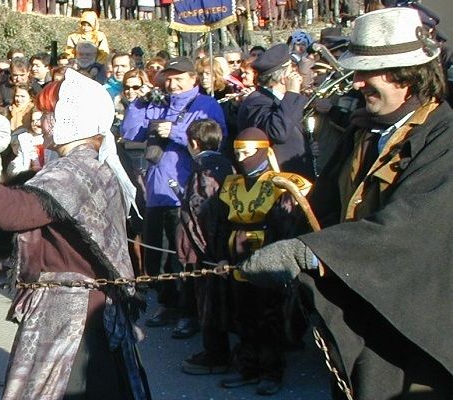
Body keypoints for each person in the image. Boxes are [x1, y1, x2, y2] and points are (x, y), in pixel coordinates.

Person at [235, 8, 453, 399]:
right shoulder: (367, 132)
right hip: (365, 310)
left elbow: (413, 227)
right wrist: (281, 241)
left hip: (417, 325)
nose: (357, 82)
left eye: (369, 72)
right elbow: (327, 208)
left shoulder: (445, 139)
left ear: (409, 75)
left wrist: (311, 254)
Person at [0, 68, 150, 399]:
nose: (41, 119)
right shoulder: (84, 165)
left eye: (49, 113)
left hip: (75, 317)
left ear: (71, 118)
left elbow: (11, 212)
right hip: (81, 308)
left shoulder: (76, 171)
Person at [121, 56, 227, 329]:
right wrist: (139, 103)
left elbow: (216, 138)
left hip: (187, 191)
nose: (173, 84)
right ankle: (168, 304)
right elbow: (131, 131)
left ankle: (189, 310)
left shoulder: (206, 104)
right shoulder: (158, 103)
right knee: (159, 252)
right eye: (169, 78)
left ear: (193, 79)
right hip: (156, 190)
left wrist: (177, 132)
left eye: (179, 78)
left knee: (185, 255)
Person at [204, 127, 311, 396]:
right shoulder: (231, 184)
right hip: (234, 253)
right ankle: (247, 366)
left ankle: (271, 371)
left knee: (269, 316)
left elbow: (288, 226)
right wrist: (219, 256)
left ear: (263, 150)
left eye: (247, 152)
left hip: (268, 252)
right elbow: (219, 222)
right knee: (242, 314)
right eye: (237, 152)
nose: (241, 158)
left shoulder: (283, 184)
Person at [175, 119, 236, 372]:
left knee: (210, 301)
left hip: (210, 249)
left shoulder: (203, 169)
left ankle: (216, 354)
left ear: (193, 143)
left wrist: (204, 251)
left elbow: (199, 212)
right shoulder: (227, 164)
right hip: (228, 242)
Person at [237, 43, 314, 178]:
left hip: (296, 180)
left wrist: (307, 148)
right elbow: (278, 132)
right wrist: (292, 94)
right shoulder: (256, 103)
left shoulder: (276, 100)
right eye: (292, 68)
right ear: (284, 76)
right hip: (276, 184)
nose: (296, 72)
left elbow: (289, 128)